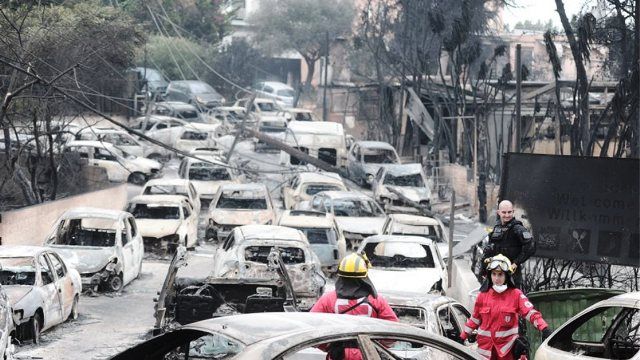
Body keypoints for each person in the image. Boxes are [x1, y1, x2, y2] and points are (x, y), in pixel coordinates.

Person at [461, 254, 552, 360]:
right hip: (485, 352)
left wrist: (544, 328)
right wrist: (462, 337)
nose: (496, 278)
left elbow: (530, 313)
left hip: (507, 351)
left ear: (507, 276)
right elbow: (474, 320)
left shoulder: (516, 295)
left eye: (500, 274)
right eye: (494, 274)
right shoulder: (483, 295)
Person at [311, 253, 398, 360]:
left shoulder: (328, 300)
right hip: (369, 355)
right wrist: (378, 348)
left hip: (338, 356)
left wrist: (329, 347)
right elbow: (393, 331)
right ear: (364, 277)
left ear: (340, 276)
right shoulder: (376, 300)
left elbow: (310, 327)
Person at [483, 200, 535, 288]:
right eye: (504, 212)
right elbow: (490, 246)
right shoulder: (495, 227)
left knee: (513, 297)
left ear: (513, 212)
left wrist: (516, 263)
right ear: (499, 212)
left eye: (509, 212)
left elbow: (531, 245)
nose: (507, 215)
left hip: (511, 271)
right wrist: (485, 267)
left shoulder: (517, 228)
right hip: (495, 270)